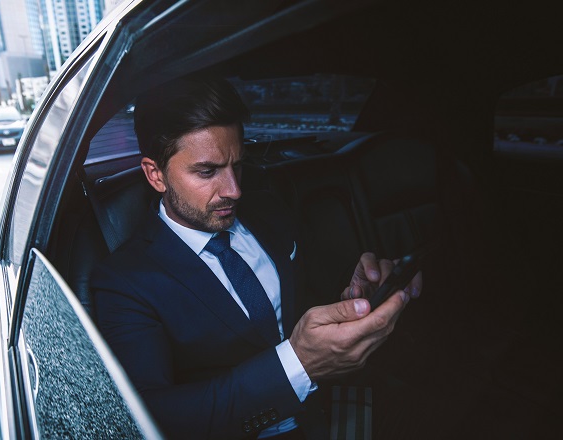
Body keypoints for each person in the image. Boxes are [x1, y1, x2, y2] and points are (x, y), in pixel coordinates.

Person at [90, 76, 422, 439]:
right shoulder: (124, 280)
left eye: (238, 165)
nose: (233, 190)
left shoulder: (268, 212)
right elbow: (153, 415)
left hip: (335, 408)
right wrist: (298, 365)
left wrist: (352, 292)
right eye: (207, 171)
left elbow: (303, 297)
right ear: (156, 175)